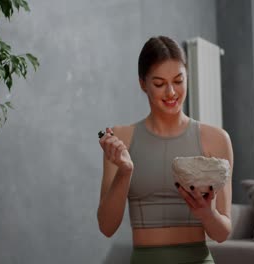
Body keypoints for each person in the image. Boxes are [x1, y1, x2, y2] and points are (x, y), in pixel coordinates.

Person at [97, 36, 233, 264]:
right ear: (143, 83)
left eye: (178, 81)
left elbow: (222, 233)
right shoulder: (120, 140)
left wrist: (207, 213)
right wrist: (125, 171)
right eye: (159, 84)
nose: (171, 92)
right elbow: (106, 227)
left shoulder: (216, 139)